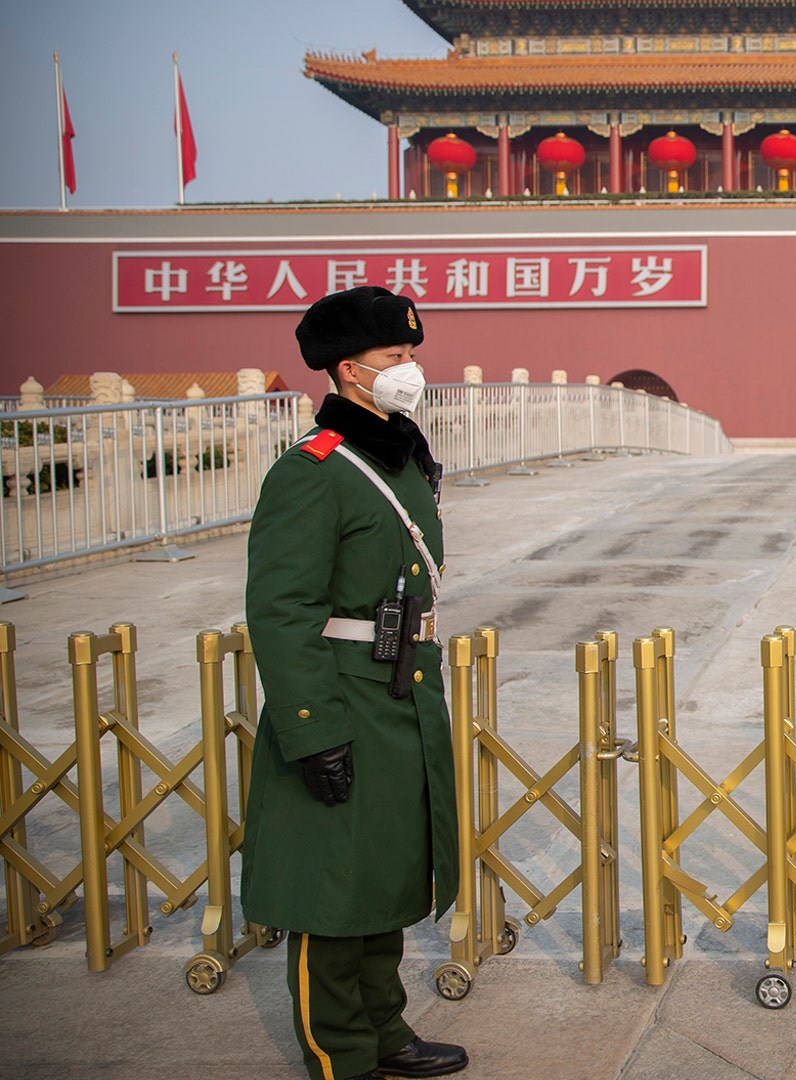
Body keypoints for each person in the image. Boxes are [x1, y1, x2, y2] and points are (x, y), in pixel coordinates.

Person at [243, 286, 467, 1080]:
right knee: (333, 889)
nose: (410, 370)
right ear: (347, 369)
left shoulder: (395, 457)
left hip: (400, 692)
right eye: (394, 358)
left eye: (412, 354)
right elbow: (280, 609)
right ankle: (340, 1054)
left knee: (382, 875)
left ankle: (384, 1030)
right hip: (340, 693)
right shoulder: (312, 472)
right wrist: (310, 726)